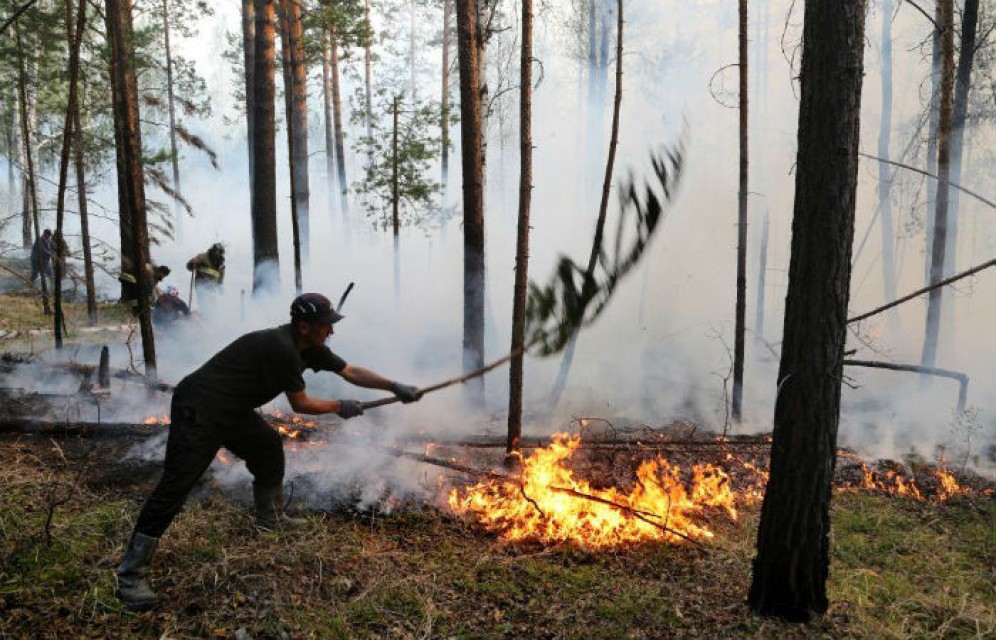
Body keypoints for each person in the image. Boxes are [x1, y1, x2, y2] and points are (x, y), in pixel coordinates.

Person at [116, 292, 423, 610]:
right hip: (201, 407)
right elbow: (301, 404)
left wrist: (394, 386)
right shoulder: (282, 349)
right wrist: (339, 406)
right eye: (325, 326)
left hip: (231, 409)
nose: (330, 331)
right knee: (177, 484)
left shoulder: (310, 348)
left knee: (267, 447)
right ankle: (130, 575)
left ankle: (270, 519)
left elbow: (351, 371)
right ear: (304, 326)